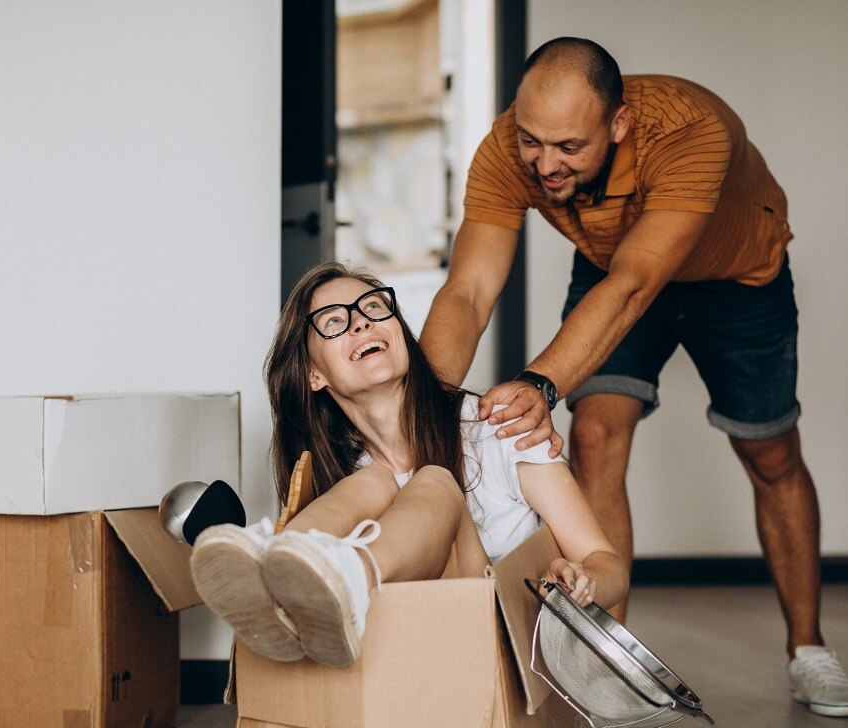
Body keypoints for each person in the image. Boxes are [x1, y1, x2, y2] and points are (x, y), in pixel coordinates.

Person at [419, 36, 848, 717]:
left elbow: (637, 284)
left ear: (617, 125)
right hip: (614, 262)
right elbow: (468, 289)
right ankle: (606, 659)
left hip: (733, 277)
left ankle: (808, 649)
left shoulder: (687, 129)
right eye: (532, 141)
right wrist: (422, 406)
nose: (543, 163)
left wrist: (538, 384)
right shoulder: (509, 147)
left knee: (769, 454)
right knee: (593, 432)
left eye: (567, 148)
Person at [189, 262, 628, 668]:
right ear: (312, 375)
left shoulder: (499, 428)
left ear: (400, 333)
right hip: (400, 653)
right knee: (374, 482)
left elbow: (608, 564)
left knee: (433, 480)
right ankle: (279, 563)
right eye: (335, 322)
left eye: (375, 308)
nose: (362, 320)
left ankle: (348, 578)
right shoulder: (347, 472)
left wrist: (583, 580)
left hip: (498, 648)